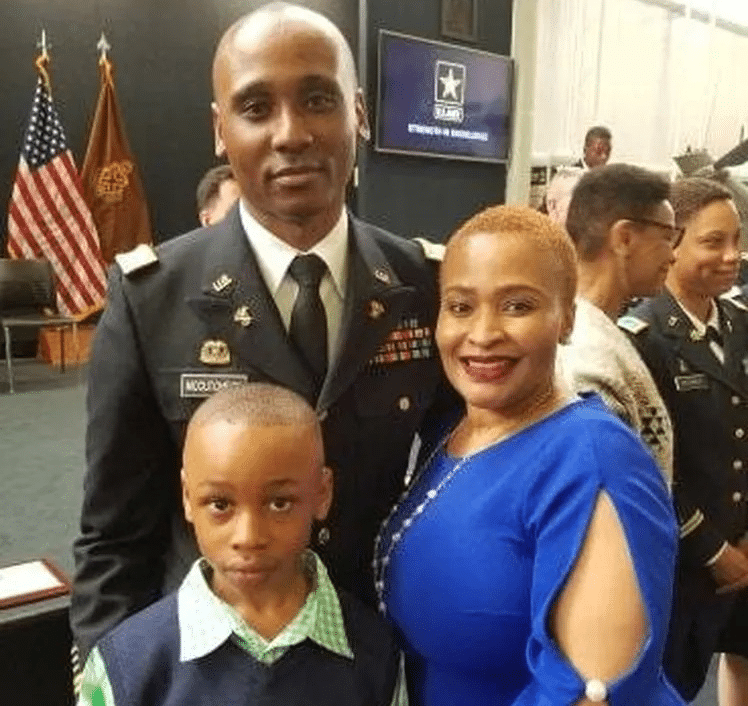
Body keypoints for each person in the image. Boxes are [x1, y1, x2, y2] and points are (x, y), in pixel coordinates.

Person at [71, 2, 447, 664]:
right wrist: (109, 678)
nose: (291, 132)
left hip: (375, 656)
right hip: (207, 663)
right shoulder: (150, 299)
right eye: (255, 108)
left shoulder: (425, 286)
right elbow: (114, 536)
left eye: (317, 99)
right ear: (221, 131)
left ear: (358, 113)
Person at [375, 205, 684, 705]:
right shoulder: (451, 432)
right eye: (460, 306)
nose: (482, 333)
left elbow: (595, 694)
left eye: (517, 306)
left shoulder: (594, 458)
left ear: (567, 319)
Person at [76, 383, 407, 706]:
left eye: (279, 503)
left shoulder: (376, 650)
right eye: (220, 504)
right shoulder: (125, 662)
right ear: (188, 497)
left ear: (322, 494)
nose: (248, 537)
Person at [625, 178, 748, 705]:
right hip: (686, 559)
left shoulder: (743, 324)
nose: (733, 256)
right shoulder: (644, 338)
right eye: (713, 242)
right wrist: (713, 548)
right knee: (673, 681)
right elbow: (650, 469)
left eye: (738, 240)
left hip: (745, 540)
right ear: (672, 243)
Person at [558, 163, 677, 480]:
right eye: (667, 237)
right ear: (624, 238)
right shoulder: (585, 357)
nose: (673, 255)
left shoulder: (592, 331)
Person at [545, 126, 612, 226]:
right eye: (599, 151)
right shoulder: (566, 178)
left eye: (607, 152)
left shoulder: (608, 181)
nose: (604, 157)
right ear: (585, 149)